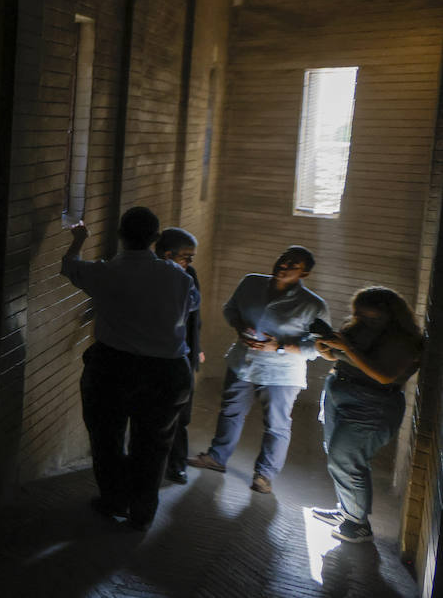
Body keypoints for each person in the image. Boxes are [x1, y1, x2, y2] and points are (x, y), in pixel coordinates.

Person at [62, 206, 197, 531]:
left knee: (107, 440)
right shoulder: (178, 276)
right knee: (152, 447)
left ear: (120, 235)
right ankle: (142, 514)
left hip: (114, 368)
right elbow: (191, 304)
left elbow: (69, 266)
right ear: (155, 238)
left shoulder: (105, 273)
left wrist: (79, 240)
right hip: (168, 372)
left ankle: (114, 500)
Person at [188, 246, 327, 495]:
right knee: (230, 412)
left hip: (282, 374)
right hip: (243, 363)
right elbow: (230, 309)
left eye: (293, 265)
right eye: (282, 259)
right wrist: (240, 328)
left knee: (276, 424)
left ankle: (264, 475)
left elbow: (317, 348)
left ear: (304, 274)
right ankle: (216, 457)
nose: (283, 265)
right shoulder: (251, 282)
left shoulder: (313, 305)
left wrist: (280, 346)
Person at [312, 287, 423, 543]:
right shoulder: (359, 327)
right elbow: (337, 356)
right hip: (340, 393)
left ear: (390, 314)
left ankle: (358, 524)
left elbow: (384, 376)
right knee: (338, 456)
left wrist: (348, 348)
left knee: (346, 461)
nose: (362, 320)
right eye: (359, 315)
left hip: (372, 404)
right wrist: (325, 346)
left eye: (370, 317)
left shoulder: (404, 340)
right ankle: (348, 511)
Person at [156, 228, 203, 484]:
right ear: (167, 255)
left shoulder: (189, 274)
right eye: (186, 256)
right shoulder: (149, 275)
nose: (190, 262)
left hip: (183, 355)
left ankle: (176, 463)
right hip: (156, 355)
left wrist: (197, 350)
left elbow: (195, 318)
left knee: (180, 416)